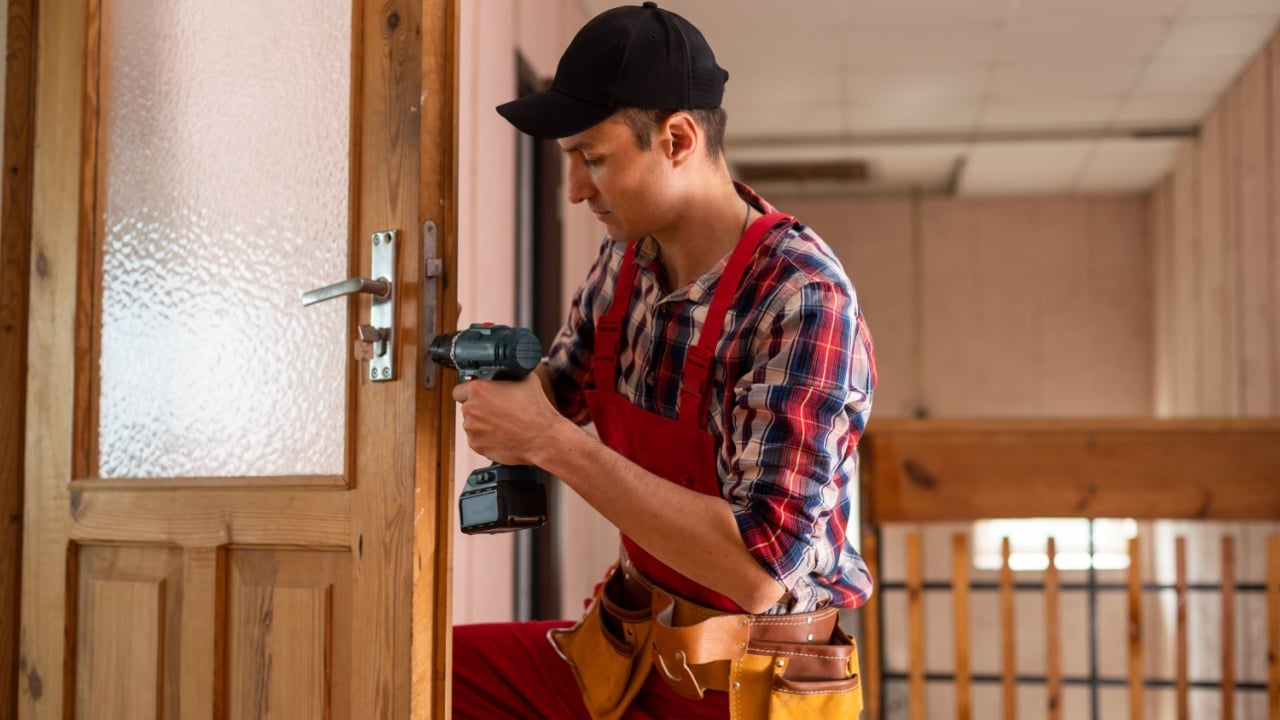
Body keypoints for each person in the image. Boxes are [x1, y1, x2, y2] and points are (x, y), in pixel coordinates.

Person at [450, 3, 876, 718]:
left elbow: (758, 571)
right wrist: (476, 377)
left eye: (593, 158)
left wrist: (549, 443)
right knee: (420, 670)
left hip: (752, 686)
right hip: (625, 652)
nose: (576, 190)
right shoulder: (627, 261)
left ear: (677, 139)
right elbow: (553, 396)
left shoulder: (801, 299)